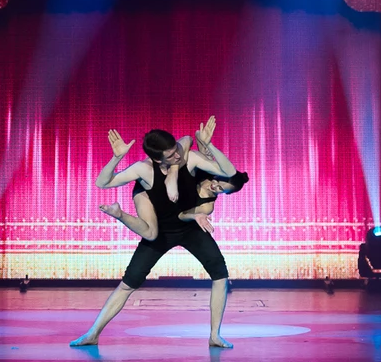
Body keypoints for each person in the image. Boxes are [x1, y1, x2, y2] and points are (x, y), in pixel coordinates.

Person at [71, 117, 248, 349]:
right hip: (160, 229)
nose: (178, 156)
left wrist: (205, 147)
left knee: (220, 274)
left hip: (189, 226)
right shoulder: (144, 169)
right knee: (128, 283)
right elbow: (102, 183)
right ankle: (92, 333)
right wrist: (117, 157)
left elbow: (229, 171)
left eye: (176, 150)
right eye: (171, 156)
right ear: (157, 159)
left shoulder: (188, 158)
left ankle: (215, 335)